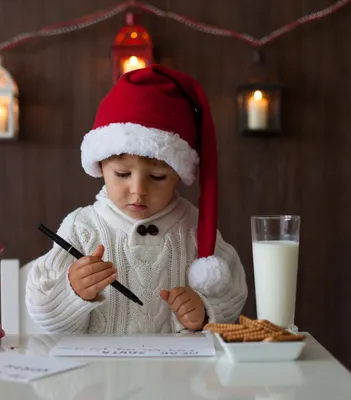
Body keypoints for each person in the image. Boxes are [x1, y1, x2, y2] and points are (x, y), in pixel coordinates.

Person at [26, 64, 248, 334]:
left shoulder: (194, 228)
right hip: (100, 374)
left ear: (178, 174)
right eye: (122, 174)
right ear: (100, 167)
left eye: (157, 177)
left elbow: (232, 292)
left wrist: (205, 312)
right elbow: (44, 315)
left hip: (177, 373)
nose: (138, 190)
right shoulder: (81, 227)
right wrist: (73, 291)